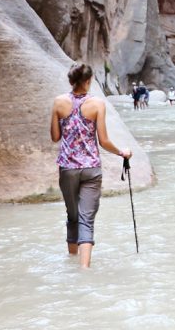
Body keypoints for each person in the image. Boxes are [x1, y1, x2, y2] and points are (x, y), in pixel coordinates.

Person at [50, 63, 131, 268]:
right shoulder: (97, 104)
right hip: (91, 169)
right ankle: (84, 269)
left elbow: (55, 137)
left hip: (67, 168)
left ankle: (71, 259)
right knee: (87, 219)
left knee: (72, 215)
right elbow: (103, 140)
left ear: (71, 80)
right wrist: (122, 152)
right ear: (88, 81)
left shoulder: (59, 102)